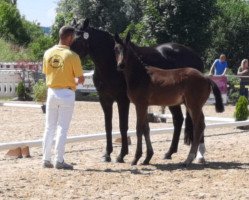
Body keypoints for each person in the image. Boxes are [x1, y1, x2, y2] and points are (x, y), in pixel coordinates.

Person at [42, 25, 84, 170]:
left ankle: (46, 159)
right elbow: (80, 78)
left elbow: (47, 73)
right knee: (62, 128)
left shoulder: (47, 53)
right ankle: (59, 160)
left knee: (49, 127)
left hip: (51, 92)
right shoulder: (73, 56)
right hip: (66, 93)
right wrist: (76, 82)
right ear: (69, 37)